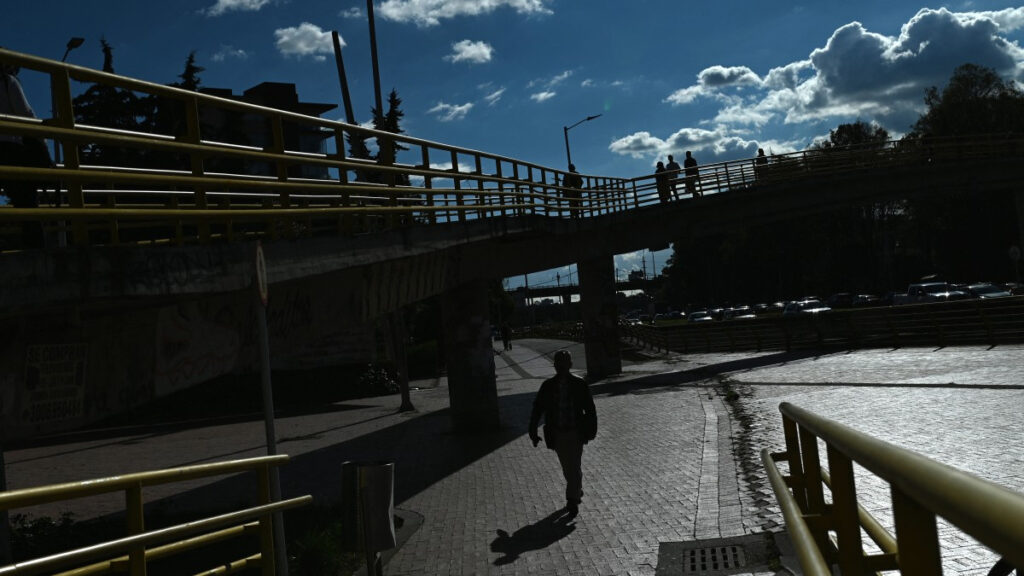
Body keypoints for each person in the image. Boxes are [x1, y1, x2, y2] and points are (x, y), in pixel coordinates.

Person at [528, 349, 597, 515]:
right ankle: (576, 489)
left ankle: (572, 500)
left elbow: (590, 409)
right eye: (559, 364)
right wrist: (532, 430)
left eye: (565, 363)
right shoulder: (548, 386)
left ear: (570, 365)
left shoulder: (579, 384)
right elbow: (538, 409)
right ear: (555, 366)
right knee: (568, 467)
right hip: (557, 432)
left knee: (574, 465)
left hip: (576, 432)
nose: (562, 367)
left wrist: (592, 430)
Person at [1, 61, 52, 247]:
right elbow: (26, 114)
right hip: (9, 148)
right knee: (26, 203)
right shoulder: (8, 81)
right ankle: (36, 251)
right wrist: (43, 144)